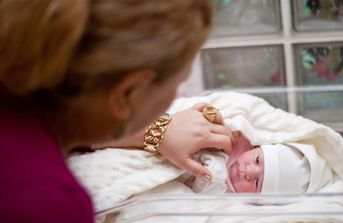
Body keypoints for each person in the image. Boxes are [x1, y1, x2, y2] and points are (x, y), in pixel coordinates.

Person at [0, 1, 233, 222]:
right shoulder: (46, 203)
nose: (177, 96)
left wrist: (155, 132)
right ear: (127, 93)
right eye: (176, 85)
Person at [182, 131, 311, 194]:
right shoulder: (240, 142)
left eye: (256, 182)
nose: (249, 171)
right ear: (257, 148)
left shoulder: (227, 194)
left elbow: (200, 197)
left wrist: (217, 171)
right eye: (257, 160)